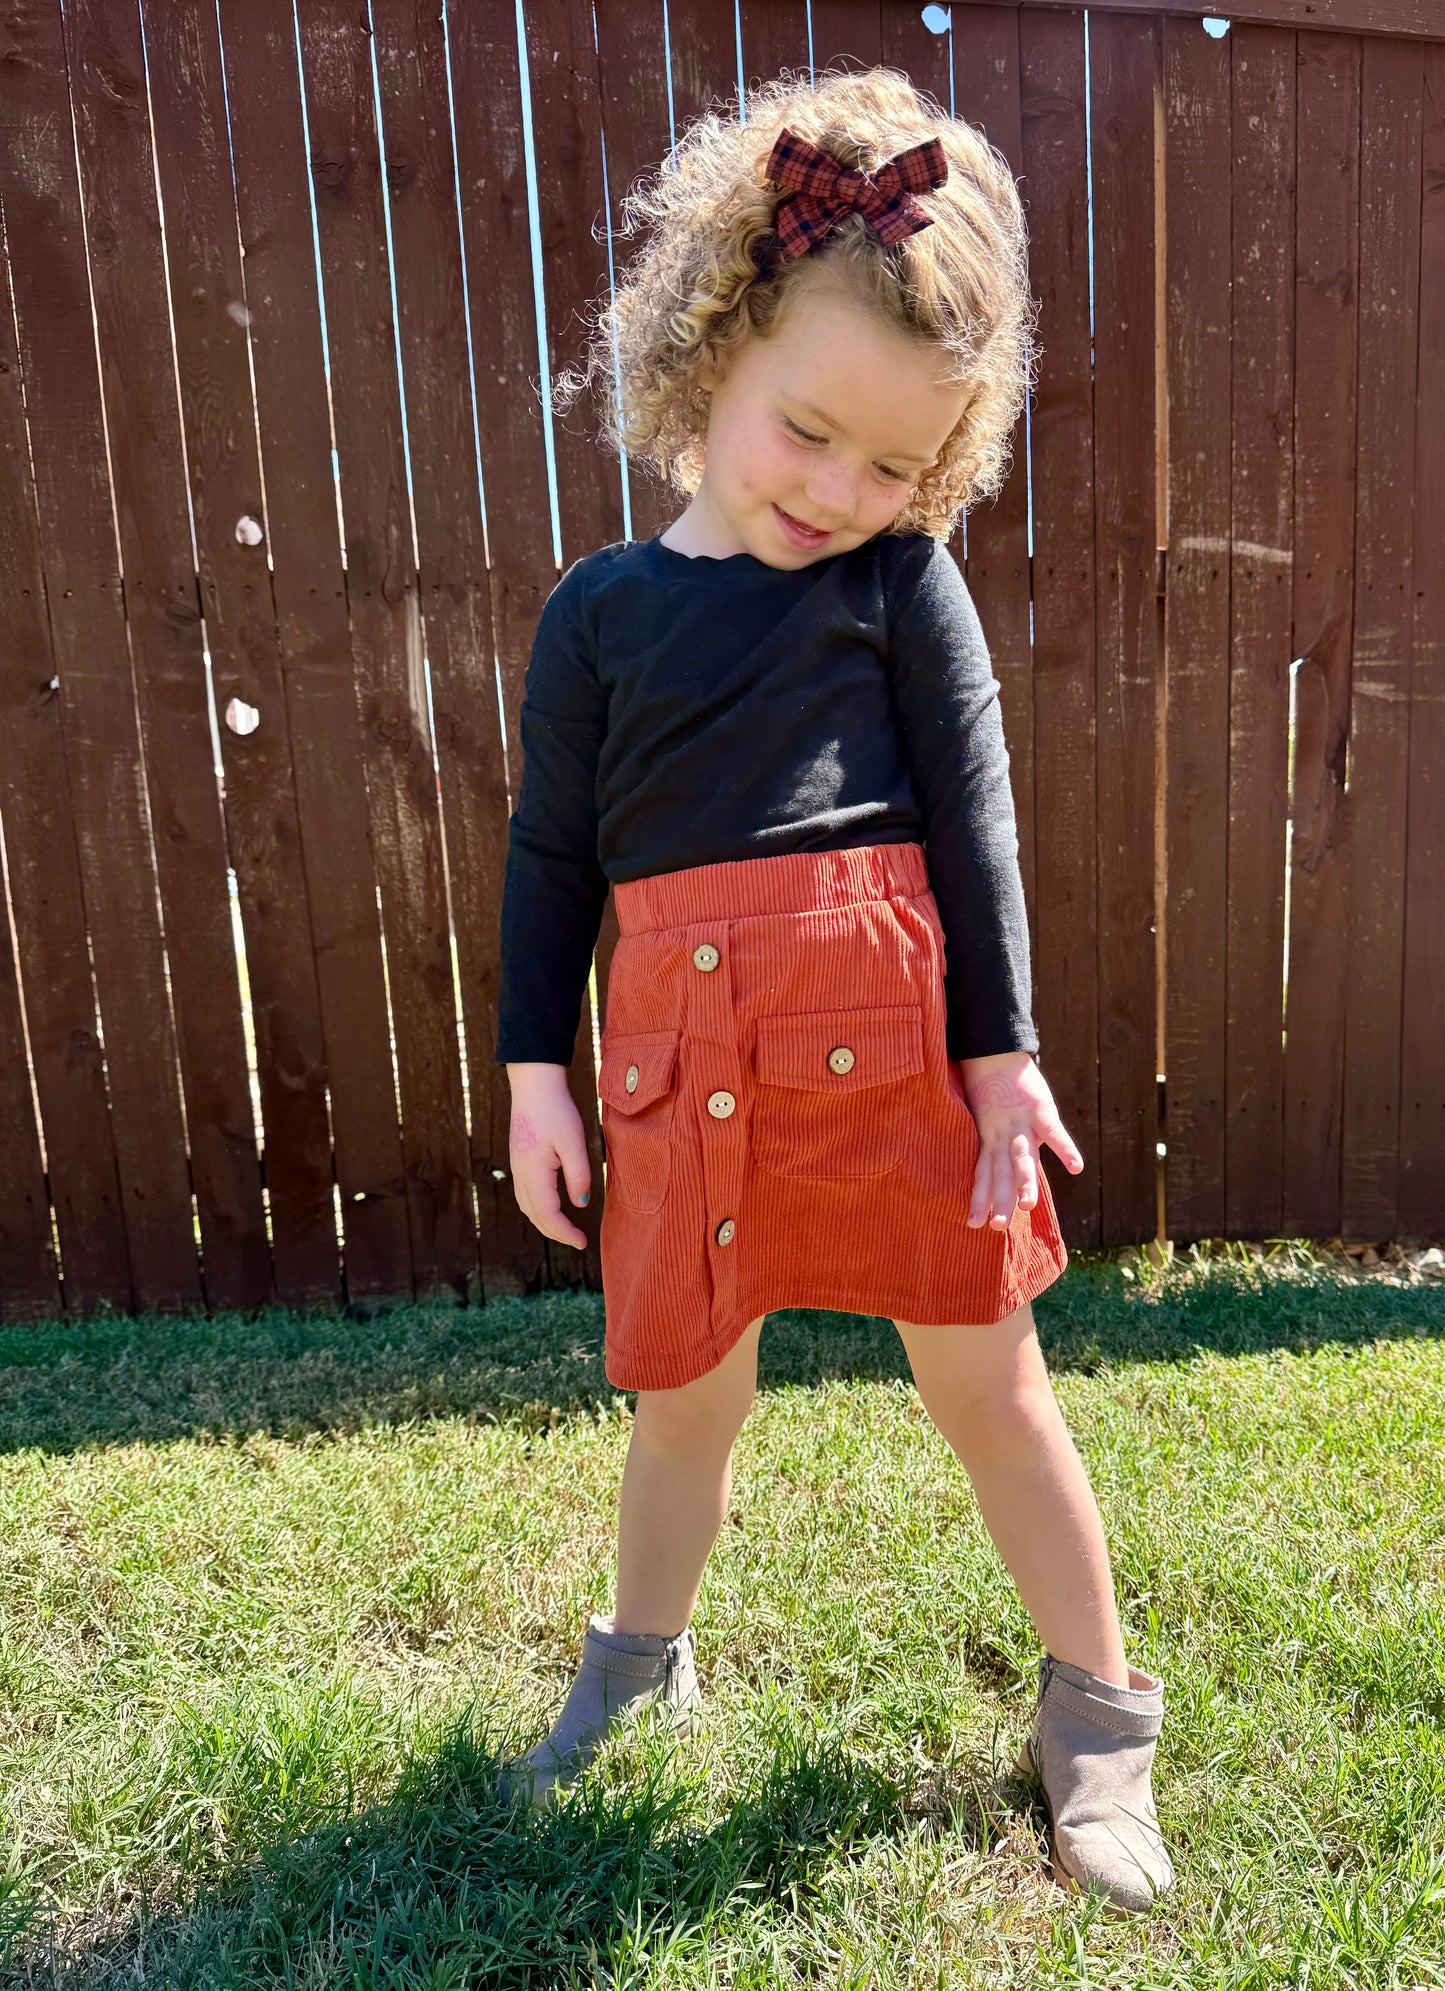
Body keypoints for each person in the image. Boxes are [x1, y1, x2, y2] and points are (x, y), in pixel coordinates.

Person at [493, 67, 1175, 1915]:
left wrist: (1000, 1059)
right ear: (711, 342)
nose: (840, 490)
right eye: (808, 433)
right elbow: (553, 862)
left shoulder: (900, 588)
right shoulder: (602, 613)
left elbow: (976, 828)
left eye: (895, 464)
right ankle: (637, 1666)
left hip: (893, 1071)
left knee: (992, 1384)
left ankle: (1096, 1713)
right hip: (672, 1067)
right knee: (685, 1400)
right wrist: (532, 1074)